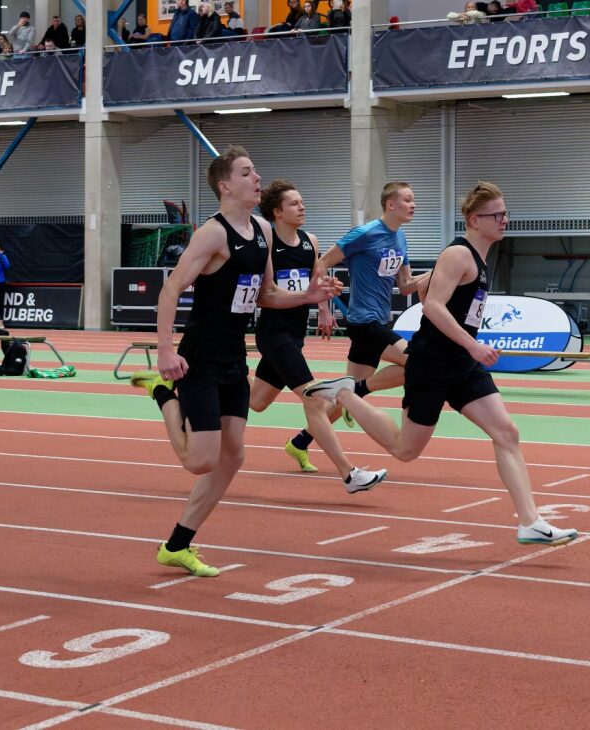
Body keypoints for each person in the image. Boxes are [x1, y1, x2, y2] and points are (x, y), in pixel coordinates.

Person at [307, 182, 578, 547]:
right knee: (405, 450)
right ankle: (346, 393)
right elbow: (432, 306)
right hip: (433, 361)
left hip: (463, 364)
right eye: (497, 215)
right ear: (474, 220)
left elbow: (422, 292)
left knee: (506, 433)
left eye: (505, 213)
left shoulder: (479, 258)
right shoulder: (458, 254)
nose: (504, 220)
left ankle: (530, 521)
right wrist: (473, 344)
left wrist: (467, 345)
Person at [130, 146, 342, 577]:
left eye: (256, 170)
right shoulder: (212, 234)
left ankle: (177, 545)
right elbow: (170, 290)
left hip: (234, 356)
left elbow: (266, 295)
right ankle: (163, 394)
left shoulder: (263, 230)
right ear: (225, 186)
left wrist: (308, 296)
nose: (257, 177)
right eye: (247, 172)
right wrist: (167, 350)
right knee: (201, 461)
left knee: (233, 457)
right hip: (201, 356)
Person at [250, 180, 388, 492]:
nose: (302, 207)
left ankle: (211, 377)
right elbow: (262, 296)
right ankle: (350, 475)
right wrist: (306, 297)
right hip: (273, 332)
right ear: (277, 212)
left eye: (302, 202)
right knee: (314, 399)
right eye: (294, 203)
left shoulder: (309, 241)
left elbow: (318, 278)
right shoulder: (267, 244)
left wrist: (324, 305)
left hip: (296, 333)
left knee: (257, 402)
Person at [281, 182, 428, 473]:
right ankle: (357, 390)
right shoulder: (365, 233)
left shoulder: (401, 238)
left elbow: (405, 285)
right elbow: (321, 263)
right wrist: (323, 306)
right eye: (408, 200)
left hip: (379, 321)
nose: (414, 205)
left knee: (344, 399)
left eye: (414, 200)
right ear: (391, 204)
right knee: (418, 362)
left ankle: (299, 442)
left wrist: (440, 271)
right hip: (364, 322)